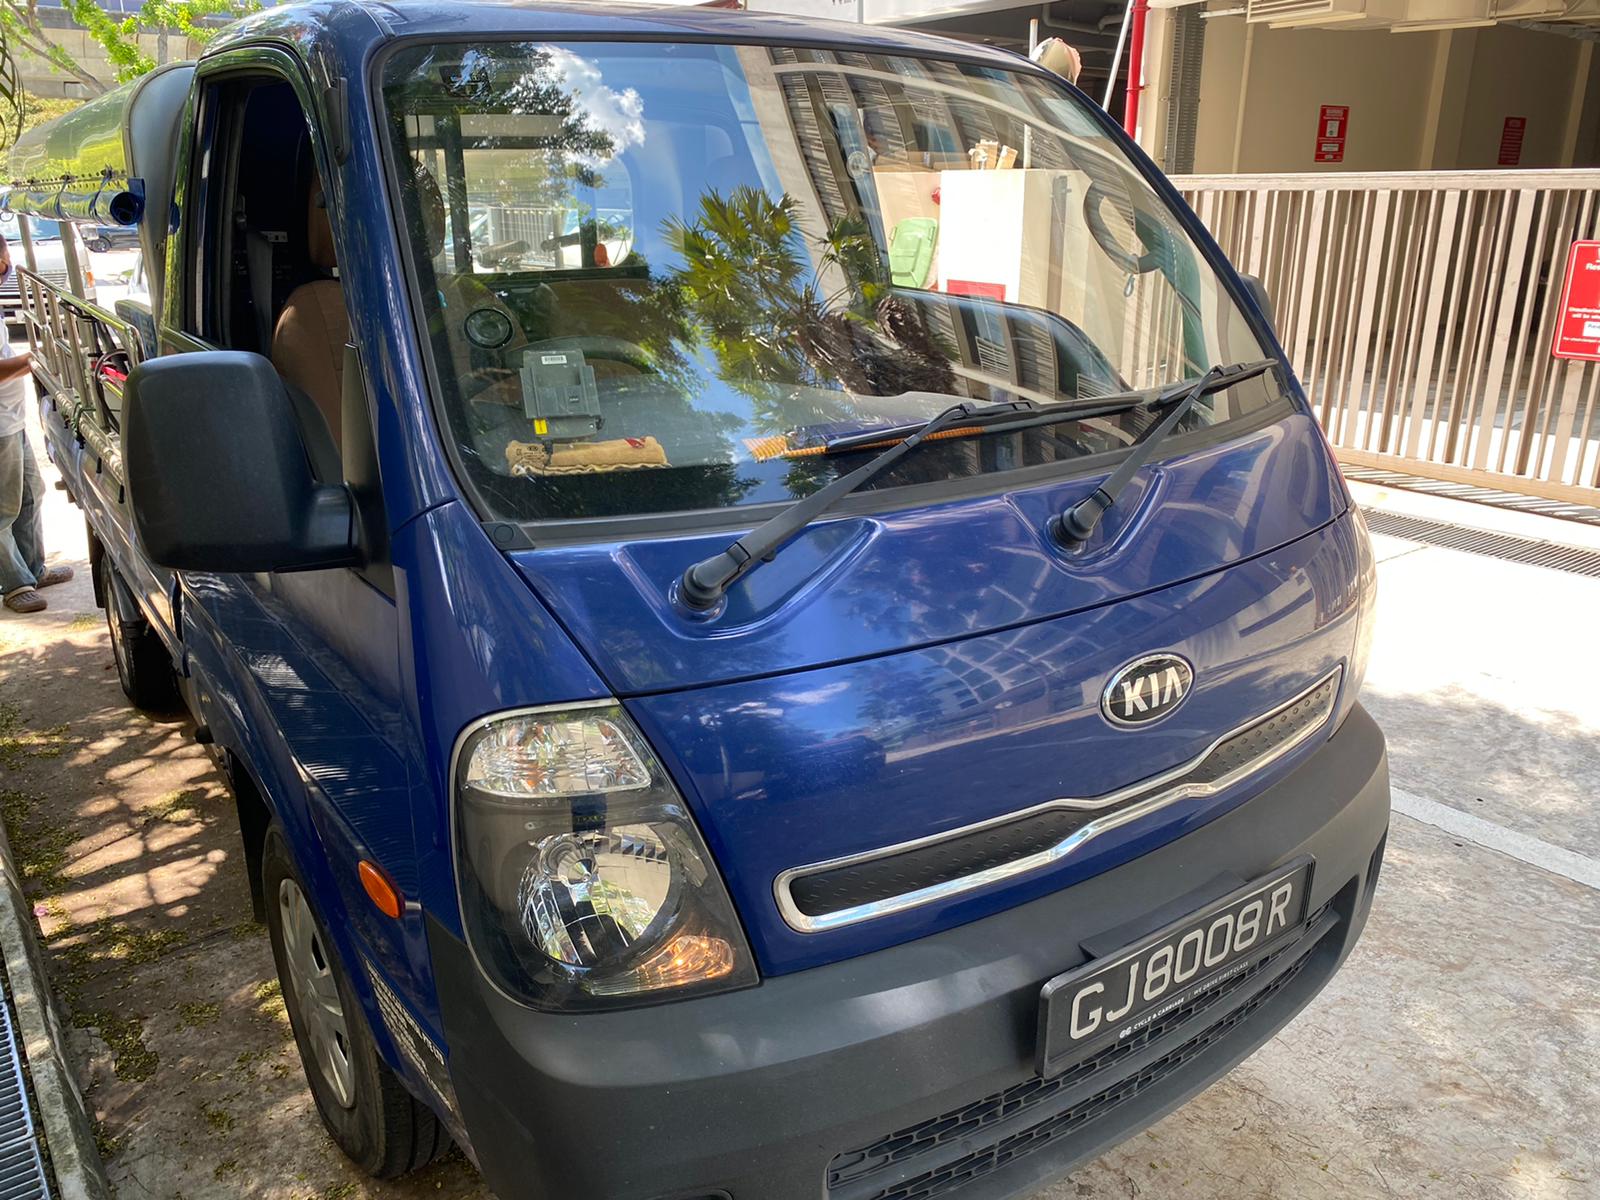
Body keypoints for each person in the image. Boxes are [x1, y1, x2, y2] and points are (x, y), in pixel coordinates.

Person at [0, 231, 72, 614]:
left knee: (31, 493)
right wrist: (34, 360)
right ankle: (15, 584)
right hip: (1, 426)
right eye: (5, 263)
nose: (7, 270)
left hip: (10, 418)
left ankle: (32, 568)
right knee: (4, 508)